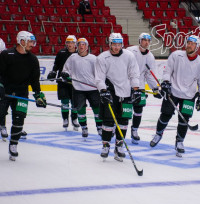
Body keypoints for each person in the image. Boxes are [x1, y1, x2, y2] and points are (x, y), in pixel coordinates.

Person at [149, 35, 200, 157]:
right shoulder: (176, 55)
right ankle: (158, 133)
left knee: (184, 119)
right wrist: (165, 83)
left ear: (197, 47)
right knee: (165, 115)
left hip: (189, 95)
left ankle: (179, 142)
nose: (189, 45)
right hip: (173, 91)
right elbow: (168, 71)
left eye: (192, 43)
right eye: (188, 42)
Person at [0, 31, 47, 161]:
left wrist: (39, 95)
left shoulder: (32, 59)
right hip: (5, 92)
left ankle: (13, 145)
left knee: (19, 119)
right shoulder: (6, 55)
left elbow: (35, 81)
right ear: (22, 41)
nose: (33, 44)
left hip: (21, 94)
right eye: (30, 41)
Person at [95, 33, 141, 162]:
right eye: (114, 44)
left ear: (122, 44)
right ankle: (105, 145)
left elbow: (134, 74)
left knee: (124, 121)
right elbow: (99, 78)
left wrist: (136, 90)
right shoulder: (102, 58)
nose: (116, 47)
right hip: (110, 92)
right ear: (109, 44)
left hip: (126, 92)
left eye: (119, 44)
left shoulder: (129, 56)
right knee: (108, 121)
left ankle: (119, 145)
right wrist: (103, 91)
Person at [61, 38, 102, 139]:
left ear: (87, 46)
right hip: (78, 89)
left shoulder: (93, 58)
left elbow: (99, 73)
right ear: (77, 46)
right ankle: (84, 127)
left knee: (97, 109)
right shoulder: (72, 57)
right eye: (79, 44)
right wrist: (65, 74)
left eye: (83, 44)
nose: (81, 46)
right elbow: (66, 69)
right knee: (80, 110)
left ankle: (100, 127)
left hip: (93, 89)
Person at [126, 33, 161, 144]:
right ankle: (118, 129)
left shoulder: (150, 57)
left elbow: (149, 75)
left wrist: (155, 88)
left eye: (148, 40)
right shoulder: (130, 51)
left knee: (138, 110)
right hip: (127, 84)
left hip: (140, 85)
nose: (146, 42)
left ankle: (134, 130)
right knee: (125, 109)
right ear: (139, 41)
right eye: (144, 40)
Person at [47, 35, 80, 131]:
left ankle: (74, 119)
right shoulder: (61, 53)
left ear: (75, 44)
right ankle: (65, 119)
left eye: (72, 43)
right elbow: (56, 64)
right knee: (64, 101)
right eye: (68, 43)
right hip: (62, 81)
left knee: (75, 103)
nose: (70, 45)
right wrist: (53, 72)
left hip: (75, 82)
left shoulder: (79, 54)